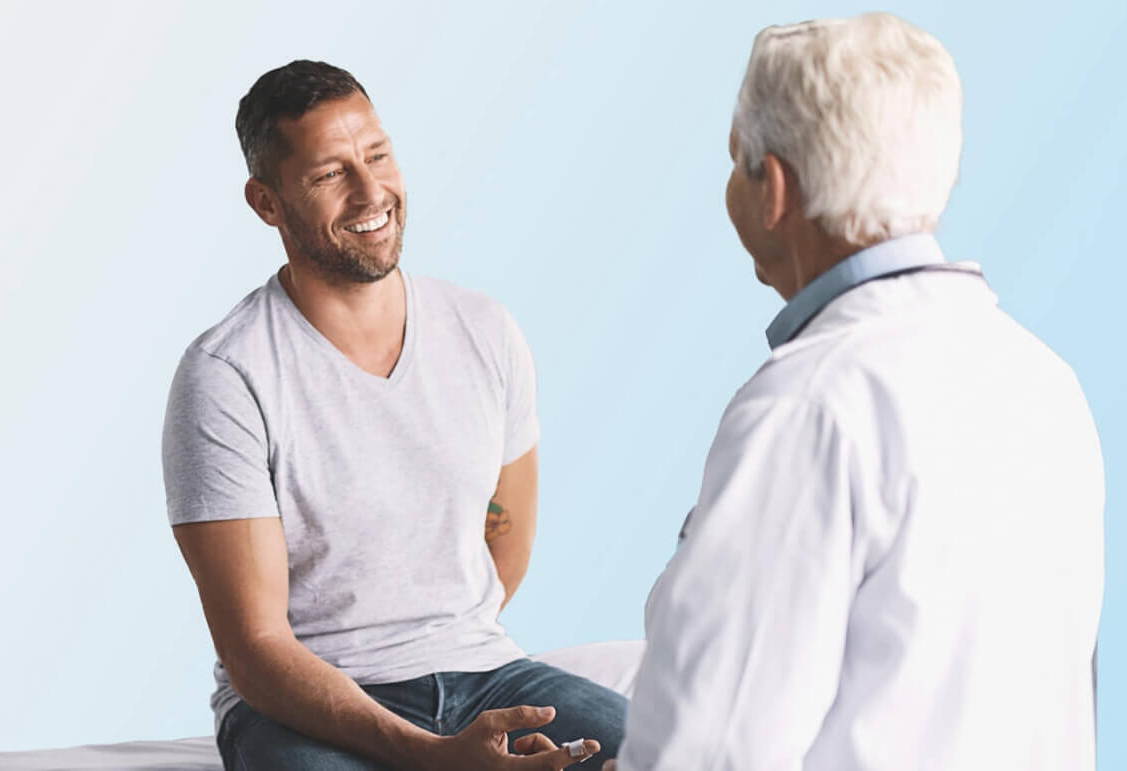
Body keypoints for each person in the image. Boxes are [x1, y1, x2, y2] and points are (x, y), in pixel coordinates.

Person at [608, 13, 1104, 771]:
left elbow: (709, 746)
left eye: (733, 161)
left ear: (770, 186)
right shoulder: (1045, 381)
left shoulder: (807, 403)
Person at [162, 60, 624, 770]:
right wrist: (429, 754)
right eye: (328, 174)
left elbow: (508, 541)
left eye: (377, 155)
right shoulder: (227, 374)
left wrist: (444, 646)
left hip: (484, 672)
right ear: (267, 201)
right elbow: (254, 648)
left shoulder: (485, 330)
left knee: (680, 751)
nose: (371, 190)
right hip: (302, 704)